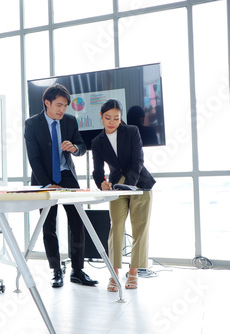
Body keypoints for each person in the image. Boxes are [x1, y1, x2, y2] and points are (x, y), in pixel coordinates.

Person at [24, 83, 98, 288]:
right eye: (58, 105)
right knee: (49, 226)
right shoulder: (32, 124)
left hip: (67, 176)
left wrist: (75, 148)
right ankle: (56, 270)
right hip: (43, 178)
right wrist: (47, 184)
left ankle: (77, 270)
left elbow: (82, 146)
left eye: (65, 105)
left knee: (77, 222)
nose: (62, 110)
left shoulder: (70, 121)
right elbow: (34, 158)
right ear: (46, 103)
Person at [91, 99, 155, 292]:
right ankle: (114, 273)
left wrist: (128, 184)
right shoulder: (97, 142)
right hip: (115, 187)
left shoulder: (132, 131)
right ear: (101, 117)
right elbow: (97, 171)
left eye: (116, 118)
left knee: (139, 228)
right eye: (108, 117)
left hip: (139, 184)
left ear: (121, 118)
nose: (112, 122)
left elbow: (138, 161)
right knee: (116, 227)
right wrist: (101, 183)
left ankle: (133, 272)